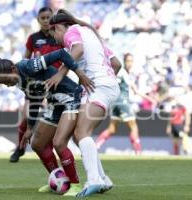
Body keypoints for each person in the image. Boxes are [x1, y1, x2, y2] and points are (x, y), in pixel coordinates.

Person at [0, 49, 92, 196]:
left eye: (6, 81)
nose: (7, 85)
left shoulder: (29, 66)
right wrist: (30, 128)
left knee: (59, 143)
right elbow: (34, 100)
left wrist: (75, 74)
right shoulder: (19, 81)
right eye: (4, 84)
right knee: (37, 143)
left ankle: (76, 185)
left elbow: (61, 54)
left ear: (13, 69)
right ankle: (59, 179)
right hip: (55, 103)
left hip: (71, 98)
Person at [47, 11, 120, 197]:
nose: (55, 39)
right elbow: (117, 64)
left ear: (58, 27)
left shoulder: (72, 32)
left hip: (99, 86)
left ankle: (94, 180)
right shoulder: (92, 35)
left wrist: (60, 74)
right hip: (104, 86)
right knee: (80, 136)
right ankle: (103, 179)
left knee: (81, 133)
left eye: (53, 33)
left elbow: (77, 51)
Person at [10, 7, 63, 163]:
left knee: (56, 117)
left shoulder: (59, 36)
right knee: (27, 115)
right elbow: (25, 60)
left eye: (48, 17)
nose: (46, 20)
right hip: (37, 82)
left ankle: (52, 149)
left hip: (56, 82)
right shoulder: (33, 38)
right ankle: (20, 148)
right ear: (38, 20)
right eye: (43, 18)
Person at [96, 53, 157, 154]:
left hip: (115, 104)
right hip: (122, 102)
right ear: (124, 62)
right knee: (134, 127)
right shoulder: (121, 72)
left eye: (131, 61)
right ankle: (138, 152)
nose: (130, 63)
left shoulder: (126, 74)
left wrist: (150, 99)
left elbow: (136, 91)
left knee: (112, 129)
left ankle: (96, 145)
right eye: (128, 61)